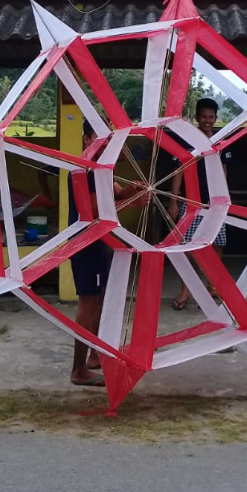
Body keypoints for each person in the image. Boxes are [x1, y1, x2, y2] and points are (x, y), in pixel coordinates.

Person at [68, 121, 147, 386]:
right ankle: (79, 370)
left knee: (99, 300)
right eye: (99, 139)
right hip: (85, 242)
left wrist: (131, 189)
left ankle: (94, 356)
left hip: (99, 241)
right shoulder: (85, 169)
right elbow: (95, 211)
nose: (104, 144)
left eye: (108, 139)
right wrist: (131, 202)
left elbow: (115, 194)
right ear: (85, 139)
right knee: (88, 304)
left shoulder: (101, 168)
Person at [168, 98, 232, 310]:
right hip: (191, 202)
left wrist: (224, 199)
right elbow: (179, 172)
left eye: (211, 117)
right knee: (187, 247)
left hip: (215, 204)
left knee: (218, 244)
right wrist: (174, 200)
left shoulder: (221, 141)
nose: (207, 120)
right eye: (204, 116)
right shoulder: (187, 142)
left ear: (215, 118)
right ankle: (186, 290)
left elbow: (223, 170)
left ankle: (212, 286)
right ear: (196, 118)